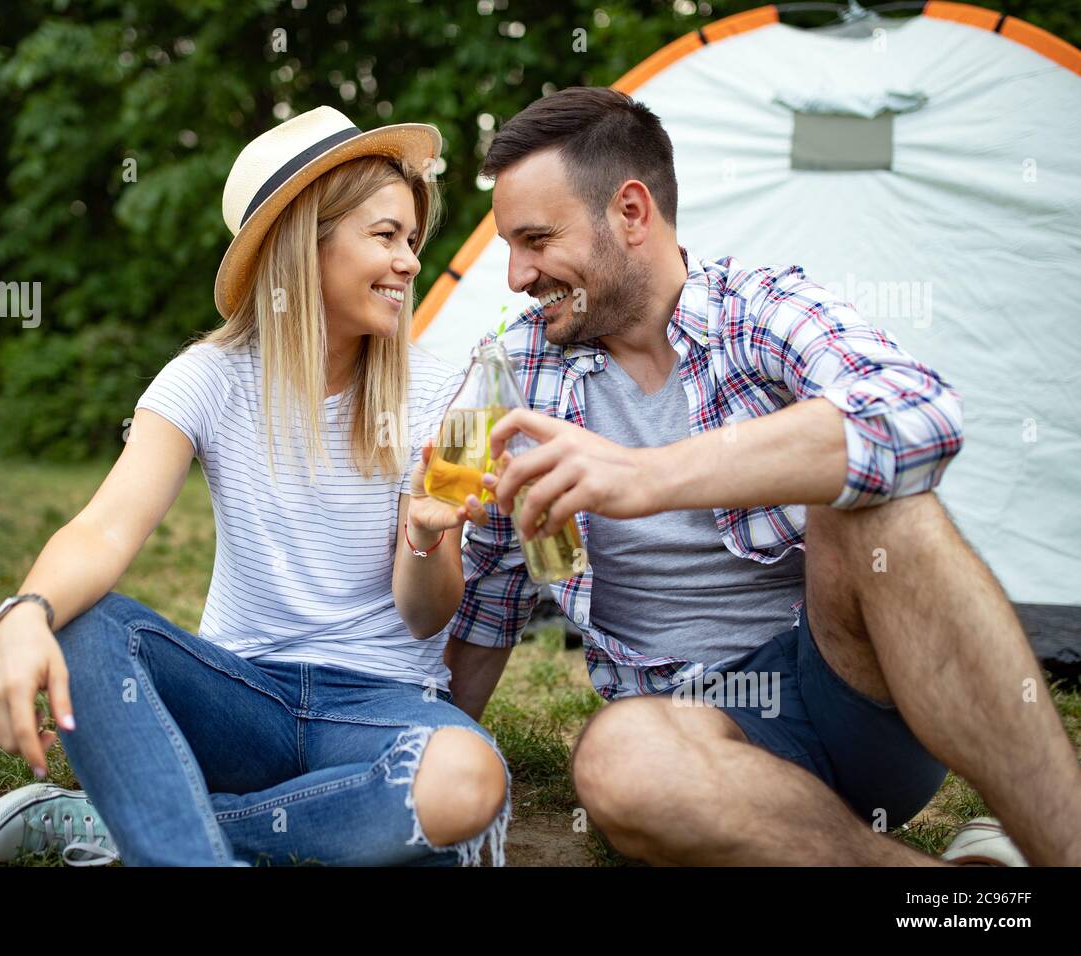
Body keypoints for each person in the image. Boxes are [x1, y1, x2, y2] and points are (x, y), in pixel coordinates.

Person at [442, 86, 1081, 866]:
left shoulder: (759, 307)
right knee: (615, 758)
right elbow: (488, 593)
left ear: (632, 213)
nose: (515, 275)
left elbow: (918, 416)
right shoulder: (513, 373)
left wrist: (648, 476)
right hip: (692, 732)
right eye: (508, 245)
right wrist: (435, 758)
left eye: (536, 239)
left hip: (849, 689)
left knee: (879, 504)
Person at [0, 106, 511, 867]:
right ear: (302, 242)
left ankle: (142, 827)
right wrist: (25, 611)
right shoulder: (209, 378)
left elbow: (426, 619)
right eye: (386, 236)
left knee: (465, 784)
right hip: (237, 699)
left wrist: (426, 536)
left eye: (413, 241)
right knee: (81, 622)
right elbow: (105, 529)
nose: (411, 263)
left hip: (379, 710)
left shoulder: (437, 389)